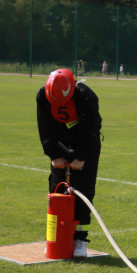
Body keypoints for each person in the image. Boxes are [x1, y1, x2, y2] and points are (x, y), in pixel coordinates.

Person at [36, 68, 102, 258]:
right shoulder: (42, 95)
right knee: (57, 190)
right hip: (60, 144)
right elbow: (44, 127)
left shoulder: (87, 97)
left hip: (86, 146)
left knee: (84, 191)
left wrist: (80, 157)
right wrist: (53, 154)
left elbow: (92, 129)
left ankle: (80, 239)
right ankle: (56, 237)